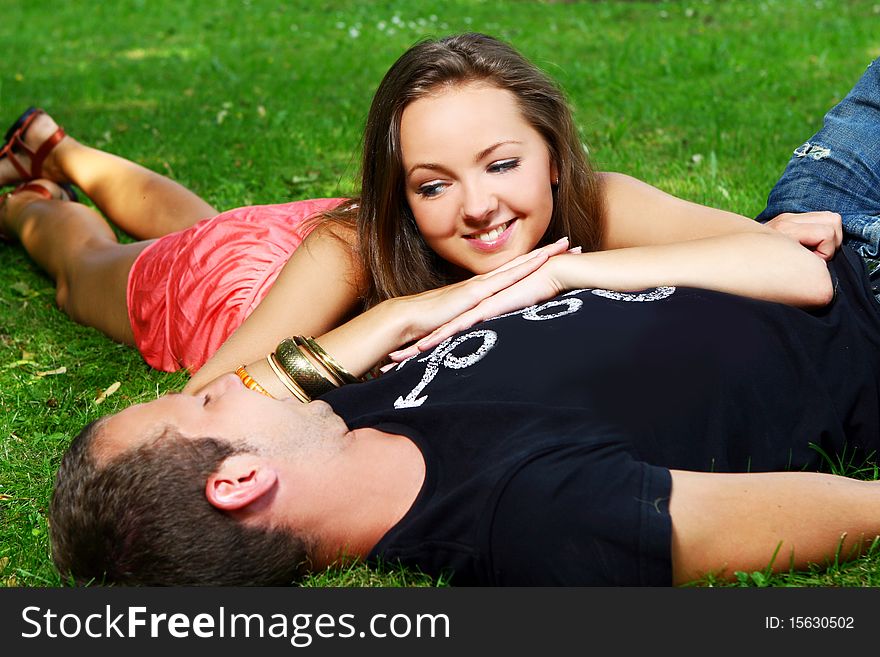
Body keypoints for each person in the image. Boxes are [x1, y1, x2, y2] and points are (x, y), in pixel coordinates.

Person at [0, 34, 834, 397]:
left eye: (503, 164)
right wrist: (398, 313)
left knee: (210, 216)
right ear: (401, 194)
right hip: (231, 293)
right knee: (91, 269)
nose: (479, 206)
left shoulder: (598, 201)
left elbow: (788, 267)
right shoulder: (351, 245)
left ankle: (61, 148)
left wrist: (567, 266)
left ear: (552, 151)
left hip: (281, 252)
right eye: (434, 184)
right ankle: (32, 199)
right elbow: (212, 388)